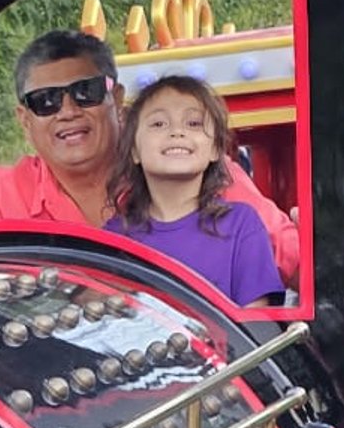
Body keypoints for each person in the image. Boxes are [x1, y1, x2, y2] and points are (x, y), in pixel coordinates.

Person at [0, 19, 300, 280]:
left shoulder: (192, 174)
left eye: (84, 93)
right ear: (26, 121)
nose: (66, 111)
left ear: (116, 101)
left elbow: (292, 259)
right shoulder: (0, 196)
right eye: (45, 100)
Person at [109, 72, 285, 307]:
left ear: (215, 150)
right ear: (134, 151)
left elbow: (257, 323)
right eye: (159, 124)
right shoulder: (114, 237)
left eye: (193, 123)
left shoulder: (241, 224)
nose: (177, 132)